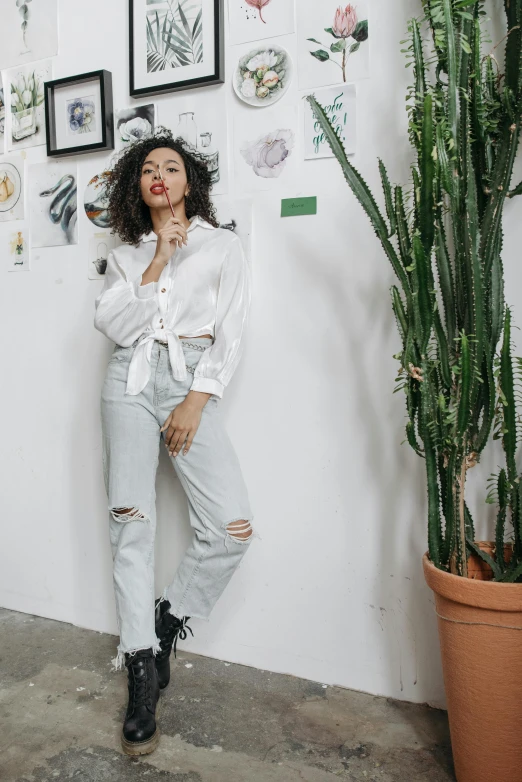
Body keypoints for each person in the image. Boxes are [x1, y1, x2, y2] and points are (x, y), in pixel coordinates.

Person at [93, 128, 257, 756]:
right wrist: (159, 256)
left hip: (188, 379)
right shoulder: (128, 253)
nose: (160, 174)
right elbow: (112, 321)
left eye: (172, 166)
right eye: (148, 169)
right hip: (128, 382)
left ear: (191, 182)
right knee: (130, 528)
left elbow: (232, 330)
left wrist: (195, 399)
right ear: (139, 186)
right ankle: (140, 670)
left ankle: (162, 625)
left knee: (231, 527)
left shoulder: (224, 246)